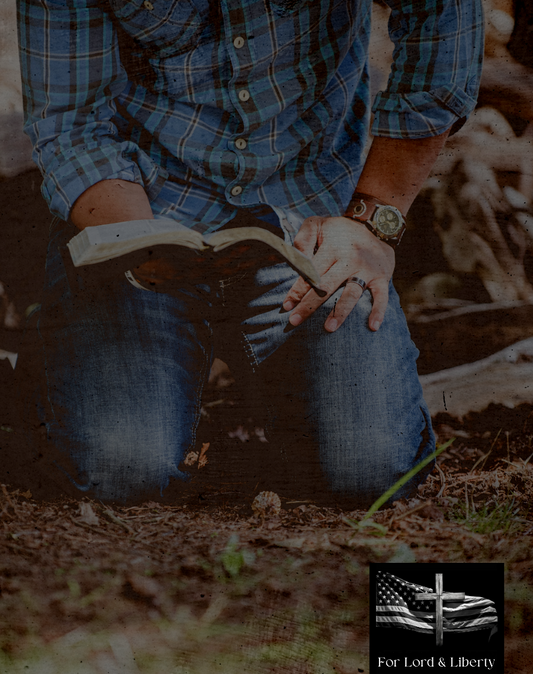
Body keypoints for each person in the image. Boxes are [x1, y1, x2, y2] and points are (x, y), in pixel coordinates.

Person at [16, 0, 484, 506]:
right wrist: (137, 239)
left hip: (309, 221)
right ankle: (65, 369)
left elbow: (445, 16)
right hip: (139, 211)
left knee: (370, 470)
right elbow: (72, 120)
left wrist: (374, 221)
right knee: (122, 469)